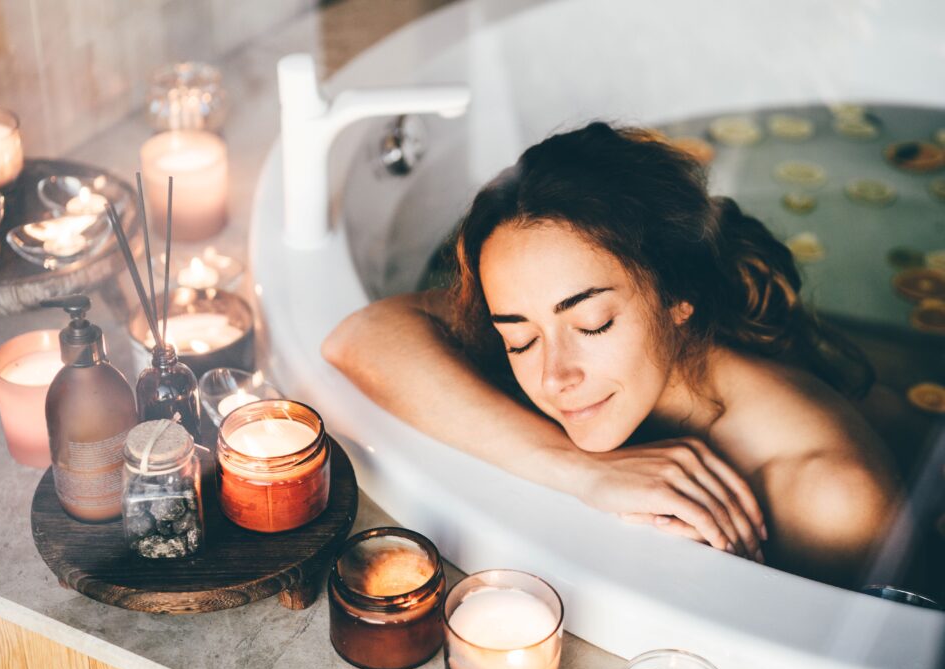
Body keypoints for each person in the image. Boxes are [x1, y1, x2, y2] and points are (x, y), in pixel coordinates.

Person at [322, 121, 898, 585]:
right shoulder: (579, 355)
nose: (555, 376)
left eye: (592, 323)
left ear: (679, 294)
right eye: (518, 337)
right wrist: (580, 470)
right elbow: (360, 336)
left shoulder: (830, 496)